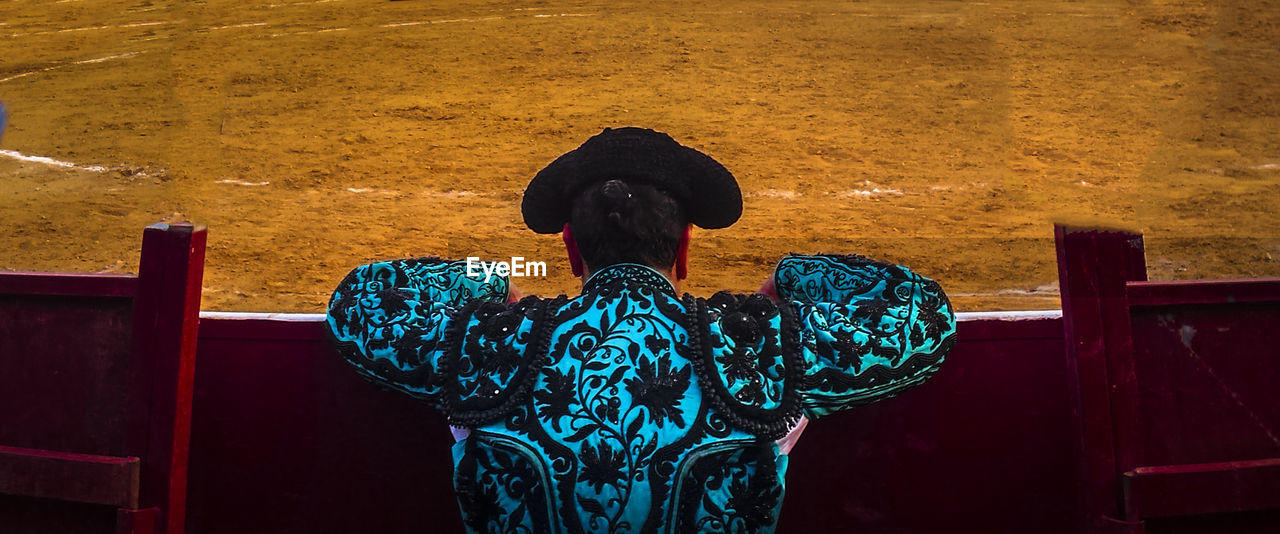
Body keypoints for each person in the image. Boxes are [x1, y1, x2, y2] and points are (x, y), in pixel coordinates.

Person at [327, 127, 956, 533]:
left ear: (571, 248)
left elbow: (358, 301)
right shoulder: (752, 345)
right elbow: (923, 314)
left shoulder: (492, 342)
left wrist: (494, 281)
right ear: (684, 247)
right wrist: (789, 281)